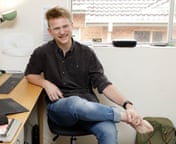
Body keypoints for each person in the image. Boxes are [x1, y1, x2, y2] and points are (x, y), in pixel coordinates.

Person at [24, 6, 153, 144]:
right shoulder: (42, 52)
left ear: (72, 26)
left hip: (89, 109)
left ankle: (126, 115)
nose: (62, 32)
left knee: (109, 131)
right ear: (50, 31)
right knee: (74, 103)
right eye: (56, 28)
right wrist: (46, 83)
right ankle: (126, 118)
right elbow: (30, 74)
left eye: (65, 26)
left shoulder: (87, 53)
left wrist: (128, 105)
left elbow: (103, 84)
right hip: (61, 109)